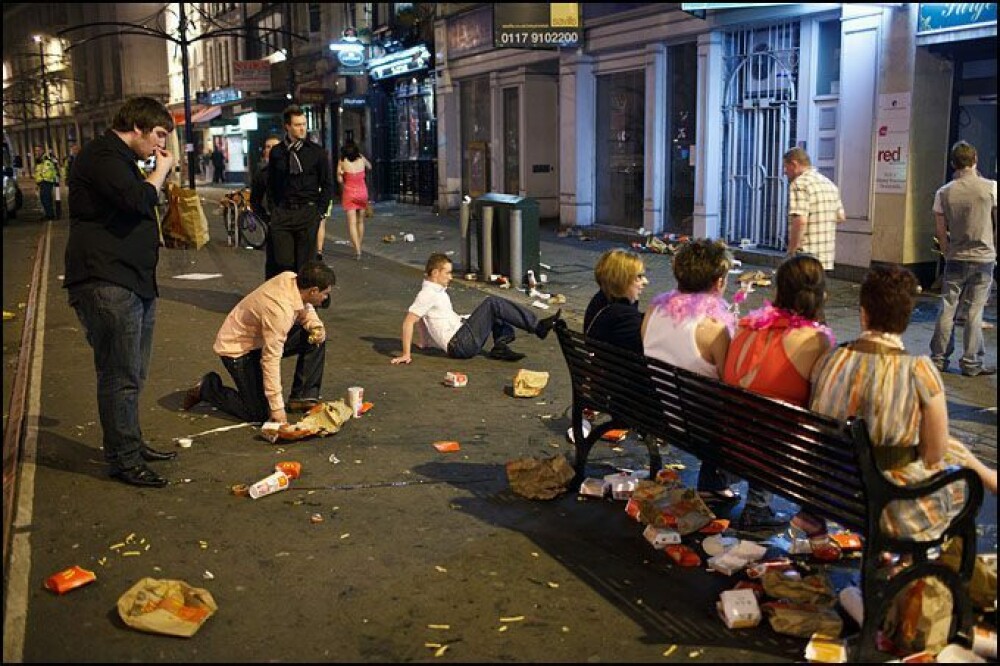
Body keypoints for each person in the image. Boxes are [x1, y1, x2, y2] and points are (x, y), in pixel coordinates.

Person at [810, 265, 996, 544]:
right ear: (908, 318)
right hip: (891, 506)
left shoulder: (830, 359)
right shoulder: (918, 371)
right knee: (943, 452)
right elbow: (935, 455)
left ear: (863, 314)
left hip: (837, 494)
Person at [63, 96, 177, 488]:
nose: (162, 147)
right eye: (159, 135)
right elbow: (136, 199)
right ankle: (124, 459)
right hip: (107, 280)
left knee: (133, 372)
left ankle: (131, 441)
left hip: (132, 279)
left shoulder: (122, 160)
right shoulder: (102, 156)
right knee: (119, 374)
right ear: (138, 126)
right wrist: (160, 172)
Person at [721, 254, 835, 537]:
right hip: (774, 448)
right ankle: (775, 510)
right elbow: (822, 403)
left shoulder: (749, 325)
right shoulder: (814, 339)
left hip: (727, 438)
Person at [641, 239, 738, 502]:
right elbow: (731, 382)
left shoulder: (654, 309)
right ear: (719, 282)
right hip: (699, 424)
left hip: (658, 409)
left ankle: (714, 481)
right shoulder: (713, 328)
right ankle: (720, 485)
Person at [182, 261, 336, 423]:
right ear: (313, 291)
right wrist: (277, 408)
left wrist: (315, 326)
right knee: (258, 414)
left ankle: (303, 397)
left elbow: (304, 306)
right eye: (325, 294)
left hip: (258, 339)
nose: (326, 298)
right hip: (237, 349)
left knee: (315, 337)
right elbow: (270, 359)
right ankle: (208, 388)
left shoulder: (291, 279)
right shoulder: (279, 312)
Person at [391, 253, 562, 365]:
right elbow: (409, 321)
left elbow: (421, 317)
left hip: (460, 334)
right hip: (460, 345)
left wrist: (424, 341)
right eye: (448, 273)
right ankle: (537, 327)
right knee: (492, 304)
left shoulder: (434, 290)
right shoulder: (427, 293)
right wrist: (406, 354)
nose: (451, 277)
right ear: (435, 273)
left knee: (496, 310)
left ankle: (500, 346)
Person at [929, 140, 997, 377]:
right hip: (984, 257)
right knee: (974, 312)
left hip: (956, 257)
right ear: (975, 159)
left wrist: (947, 251)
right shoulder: (991, 188)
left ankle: (938, 358)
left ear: (952, 164)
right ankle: (971, 363)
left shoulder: (943, 192)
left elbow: (940, 230)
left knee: (948, 307)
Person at [266, 105, 334, 280]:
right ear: (287, 126)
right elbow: (271, 183)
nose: (302, 128)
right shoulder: (277, 152)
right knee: (282, 262)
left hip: (307, 212)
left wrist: (319, 212)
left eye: (304, 124)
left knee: (305, 264)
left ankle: (303, 303)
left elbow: (327, 184)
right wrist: (274, 210)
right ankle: (285, 299)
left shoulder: (317, 152)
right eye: (297, 125)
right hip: (284, 213)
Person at [783, 147, 845, 271]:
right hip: (825, 256)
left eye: (786, 166)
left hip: (804, 257)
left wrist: (791, 253)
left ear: (794, 164)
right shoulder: (829, 184)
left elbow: (800, 220)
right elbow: (841, 217)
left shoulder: (799, 183)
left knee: (799, 290)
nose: (784, 171)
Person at [584, 248, 648, 354]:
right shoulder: (624, 315)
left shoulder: (601, 299)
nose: (645, 282)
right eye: (639, 277)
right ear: (621, 279)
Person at [250, 135, 281, 275]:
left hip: (294, 219)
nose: (271, 150)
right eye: (268, 147)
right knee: (274, 260)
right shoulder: (262, 173)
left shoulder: (292, 169)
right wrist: (265, 218)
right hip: (274, 222)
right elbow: (255, 199)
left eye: (274, 146)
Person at [337, 140, 372, 260]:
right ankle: (359, 246)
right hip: (362, 193)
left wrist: (341, 174)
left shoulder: (342, 161)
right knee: (360, 222)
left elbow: (340, 180)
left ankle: (357, 251)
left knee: (352, 223)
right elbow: (370, 166)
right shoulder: (361, 158)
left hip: (349, 194)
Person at [33, 145, 60, 220]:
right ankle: (48, 214)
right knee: (44, 199)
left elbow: (47, 171)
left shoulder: (46, 160)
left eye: (38, 150)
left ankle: (50, 215)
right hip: (42, 182)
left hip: (46, 182)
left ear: (42, 151)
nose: (37, 152)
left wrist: (42, 179)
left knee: (46, 199)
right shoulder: (40, 160)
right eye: (36, 151)